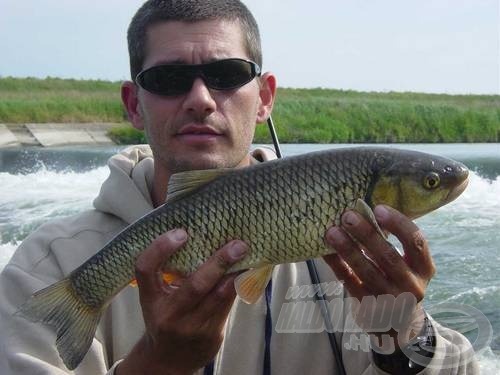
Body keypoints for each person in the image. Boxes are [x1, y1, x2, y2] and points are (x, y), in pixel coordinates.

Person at [0, 0, 479, 374]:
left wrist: (404, 336)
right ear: (133, 103)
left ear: (265, 97)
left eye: (227, 75)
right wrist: (158, 366)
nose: (201, 100)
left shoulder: (351, 256)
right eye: (168, 79)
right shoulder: (49, 265)